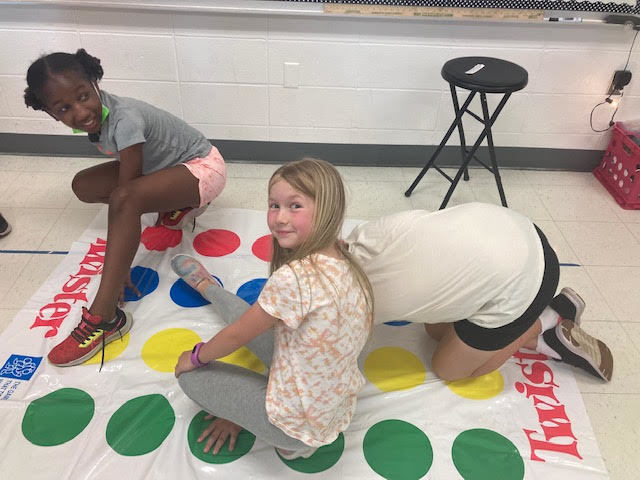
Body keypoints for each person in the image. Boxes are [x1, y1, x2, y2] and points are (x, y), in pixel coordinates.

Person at [24, 49, 226, 367]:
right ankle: (177, 199)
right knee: (84, 186)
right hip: (167, 168)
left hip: (203, 168)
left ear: (95, 83)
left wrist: (118, 271)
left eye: (83, 96)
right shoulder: (99, 118)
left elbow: (125, 197)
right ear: (52, 114)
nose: (80, 111)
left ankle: (105, 317)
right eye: (64, 108)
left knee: (124, 200)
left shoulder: (124, 120)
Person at [172, 158, 374, 460]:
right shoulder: (345, 256)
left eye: (295, 206)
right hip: (331, 405)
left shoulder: (294, 278)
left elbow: (236, 336)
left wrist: (195, 357)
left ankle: (290, 443)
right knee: (250, 316)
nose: (280, 218)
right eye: (274, 205)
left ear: (328, 209)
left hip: (292, 427)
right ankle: (207, 286)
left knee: (188, 375)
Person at [344, 203, 613, 382]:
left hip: (527, 280)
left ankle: (549, 317)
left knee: (449, 369)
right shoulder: (362, 234)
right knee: (435, 332)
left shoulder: (354, 304)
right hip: (514, 228)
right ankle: (541, 332)